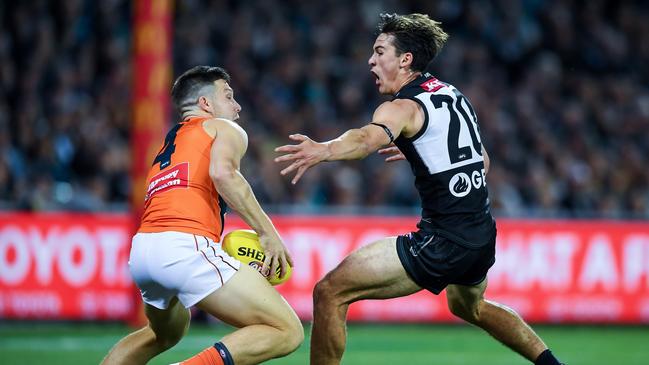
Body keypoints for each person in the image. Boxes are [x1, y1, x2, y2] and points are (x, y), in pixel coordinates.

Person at [275, 13, 564, 365]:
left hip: (443, 241)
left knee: (329, 292)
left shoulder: (402, 106)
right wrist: (427, 150)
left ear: (405, 59)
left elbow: (366, 138)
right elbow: (482, 161)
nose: (371, 60)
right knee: (471, 306)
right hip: (480, 234)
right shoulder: (451, 94)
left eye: (380, 52)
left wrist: (323, 149)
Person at [102, 66, 303, 365]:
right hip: (185, 247)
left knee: (164, 334)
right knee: (287, 331)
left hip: (144, 253)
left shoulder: (171, 143)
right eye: (229, 96)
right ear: (206, 104)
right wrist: (268, 233)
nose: (237, 107)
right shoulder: (225, 129)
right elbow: (223, 174)